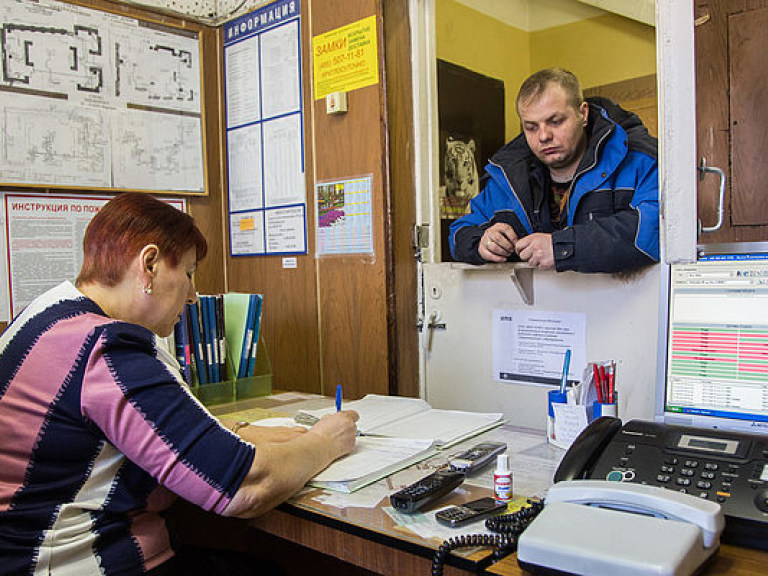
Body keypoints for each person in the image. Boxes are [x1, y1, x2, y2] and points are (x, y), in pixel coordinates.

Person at [0, 192, 358, 575]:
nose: (193, 295)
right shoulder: (108, 349)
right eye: (188, 273)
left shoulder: (43, 315)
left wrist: (244, 432)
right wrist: (324, 443)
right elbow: (244, 488)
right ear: (149, 265)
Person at [449, 68, 659, 273]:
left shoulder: (638, 159)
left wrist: (561, 247)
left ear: (583, 114)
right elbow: (458, 233)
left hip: (626, 305)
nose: (543, 136)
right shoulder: (506, 176)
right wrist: (482, 243)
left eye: (555, 121)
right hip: (536, 307)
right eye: (531, 127)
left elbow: (656, 229)